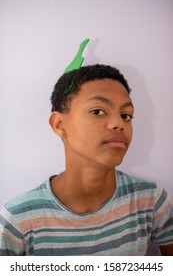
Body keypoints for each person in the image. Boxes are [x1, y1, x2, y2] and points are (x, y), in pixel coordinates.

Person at [0, 64, 173, 256]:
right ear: (60, 125)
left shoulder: (151, 200)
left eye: (126, 115)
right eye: (98, 111)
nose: (119, 123)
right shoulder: (18, 221)